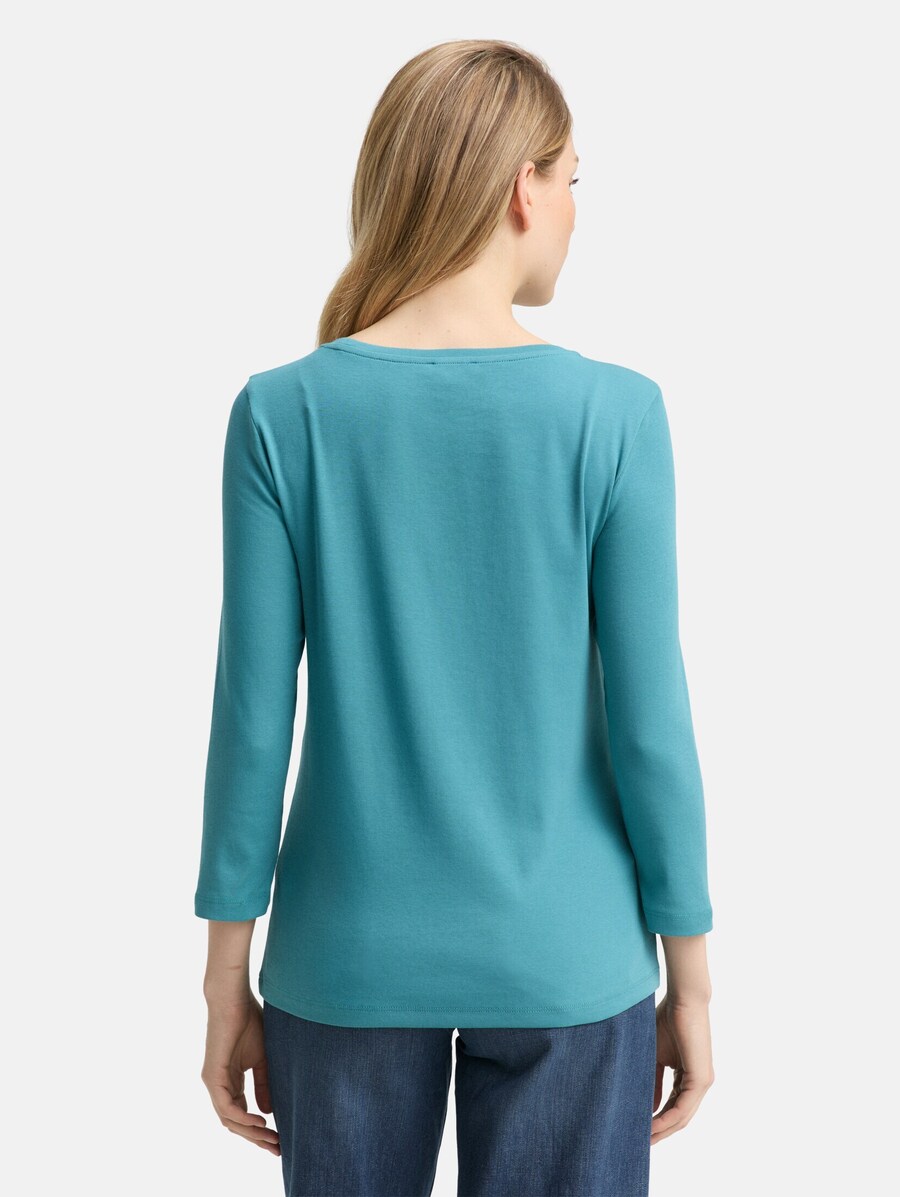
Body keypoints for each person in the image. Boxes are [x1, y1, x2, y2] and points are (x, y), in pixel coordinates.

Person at [195, 37, 714, 1197]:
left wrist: (225, 977)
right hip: (569, 958)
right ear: (524, 188)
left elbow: (251, 725)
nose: (575, 209)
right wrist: (692, 978)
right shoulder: (615, 415)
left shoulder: (281, 415)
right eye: (574, 179)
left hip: (343, 961)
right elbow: (651, 729)